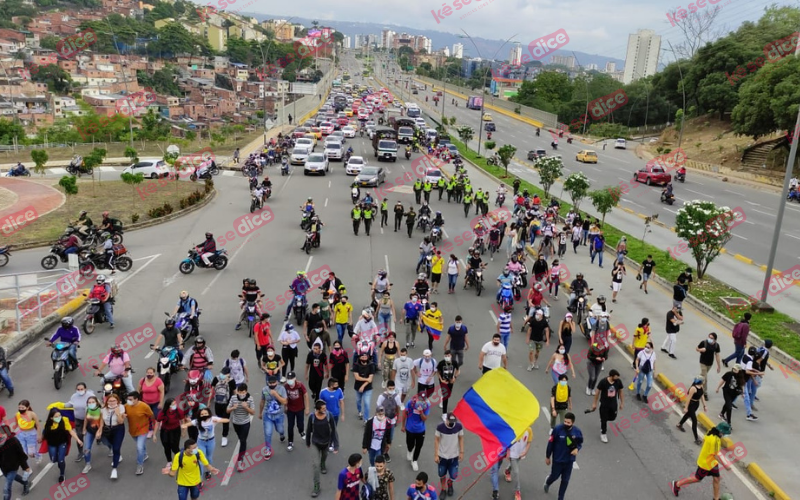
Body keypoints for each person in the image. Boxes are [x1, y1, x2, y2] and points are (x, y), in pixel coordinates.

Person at [670, 422, 733, 499]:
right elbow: (716, 455)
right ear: (721, 432)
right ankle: (677, 484)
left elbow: (705, 442)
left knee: (716, 479)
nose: (725, 435)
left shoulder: (710, 431)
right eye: (724, 433)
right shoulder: (716, 440)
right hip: (706, 464)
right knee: (697, 478)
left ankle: (716, 498)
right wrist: (726, 465)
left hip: (712, 462)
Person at [544, 412, 582, 500]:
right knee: (554, 476)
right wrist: (547, 456)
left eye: (568, 422)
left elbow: (580, 442)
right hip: (558, 460)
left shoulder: (577, 431)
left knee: (565, 480)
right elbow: (551, 443)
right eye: (565, 421)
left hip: (569, 461)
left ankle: (560, 497)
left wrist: (577, 449)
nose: (566, 424)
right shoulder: (557, 429)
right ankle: (548, 482)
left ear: (572, 423)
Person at [40, 407, 83, 484]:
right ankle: (60, 464)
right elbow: (44, 432)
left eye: (59, 416)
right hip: (52, 444)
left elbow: (70, 431)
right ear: (51, 418)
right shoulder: (48, 423)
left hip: (62, 443)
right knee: (53, 460)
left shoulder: (65, 420)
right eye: (56, 417)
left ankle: (62, 474)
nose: (58, 418)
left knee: (61, 460)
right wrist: (41, 438)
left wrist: (78, 440)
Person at [307, 400, 339, 497]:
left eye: (325, 408)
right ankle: (317, 486)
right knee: (315, 466)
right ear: (317, 409)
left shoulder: (329, 416)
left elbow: (334, 430)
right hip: (315, 443)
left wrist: (336, 445)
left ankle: (323, 463)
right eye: (323, 408)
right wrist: (308, 442)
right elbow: (308, 430)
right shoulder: (312, 417)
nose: (325, 410)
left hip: (326, 443)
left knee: (324, 456)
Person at [227, 383, 256, 472]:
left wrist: (246, 407)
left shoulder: (250, 399)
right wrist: (233, 408)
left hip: (245, 422)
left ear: (246, 391)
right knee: (240, 438)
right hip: (236, 422)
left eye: (243, 392)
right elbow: (227, 410)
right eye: (240, 392)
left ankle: (240, 460)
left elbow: (253, 412)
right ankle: (243, 448)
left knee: (243, 440)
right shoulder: (233, 398)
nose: (241, 393)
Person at [125, 391, 155, 475]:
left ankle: (140, 465)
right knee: (140, 445)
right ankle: (144, 454)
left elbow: (151, 415)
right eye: (128, 399)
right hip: (132, 430)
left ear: (136, 399)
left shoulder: (144, 406)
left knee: (139, 447)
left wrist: (154, 427)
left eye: (130, 399)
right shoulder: (126, 406)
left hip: (143, 430)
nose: (128, 401)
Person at [434, 414, 464, 497]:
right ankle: (443, 489)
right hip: (442, 456)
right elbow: (436, 440)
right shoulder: (440, 427)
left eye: (453, 422)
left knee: (454, 474)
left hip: (454, 456)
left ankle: (450, 483)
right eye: (449, 421)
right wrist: (436, 455)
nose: (451, 424)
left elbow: (461, 438)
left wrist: (461, 452)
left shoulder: (458, 426)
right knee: (442, 474)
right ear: (446, 420)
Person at [591, 369, 623, 443]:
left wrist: (622, 403)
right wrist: (594, 403)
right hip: (604, 403)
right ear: (611, 376)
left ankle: (603, 420)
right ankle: (603, 433)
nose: (617, 378)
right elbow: (597, 393)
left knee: (612, 417)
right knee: (604, 419)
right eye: (616, 377)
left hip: (613, 403)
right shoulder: (603, 382)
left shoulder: (618, 382)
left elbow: (621, 392)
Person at [98, 393, 126, 479]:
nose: (112, 402)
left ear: (117, 401)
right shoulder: (103, 409)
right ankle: (118, 455)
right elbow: (102, 420)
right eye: (110, 401)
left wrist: (118, 414)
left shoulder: (121, 407)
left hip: (118, 429)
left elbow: (121, 421)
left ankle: (114, 469)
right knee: (110, 444)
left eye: (114, 400)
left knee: (116, 448)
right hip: (107, 430)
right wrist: (100, 430)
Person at [259, 375, 287, 460]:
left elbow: (285, 401)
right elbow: (262, 401)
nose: (271, 384)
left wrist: (276, 394)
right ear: (267, 382)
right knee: (268, 432)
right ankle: (268, 450)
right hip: (268, 415)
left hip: (279, 415)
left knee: (280, 429)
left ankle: (282, 434)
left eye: (273, 383)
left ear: (277, 382)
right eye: (270, 383)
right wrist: (260, 413)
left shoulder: (281, 389)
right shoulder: (264, 390)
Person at [401, 392, 430, 472]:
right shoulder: (411, 403)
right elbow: (404, 414)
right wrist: (403, 426)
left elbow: (424, 418)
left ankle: (414, 460)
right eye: (420, 399)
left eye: (423, 400)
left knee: (419, 446)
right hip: (410, 428)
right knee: (410, 444)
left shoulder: (426, 405)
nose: (421, 401)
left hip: (421, 429)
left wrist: (421, 412)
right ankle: (409, 450)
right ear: (417, 397)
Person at [0, 426, 32, 498]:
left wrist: (25, 466)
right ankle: (25, 482)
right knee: (13, 477)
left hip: (13, 466)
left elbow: (21, 454)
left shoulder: (13, 441)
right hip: (4, 467)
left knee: (6, 487)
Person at [502, 427, 532, 500]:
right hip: (513, 452)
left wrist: (525, 451)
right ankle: (517, 491)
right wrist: (508, 452)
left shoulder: (529, 430)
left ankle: (507, 471)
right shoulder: (514, 427)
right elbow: (508, 440)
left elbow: (529, 441)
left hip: (520, 453)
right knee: (516, 472)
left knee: (514, 465)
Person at [677, 376, 707, 444]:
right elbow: (688, 398)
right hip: (691, 404)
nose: (704, 382)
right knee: (694, 421)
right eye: (703, 381)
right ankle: (696, 439)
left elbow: (702, 396)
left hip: (696, 404)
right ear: (701, 381)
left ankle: (679, 424)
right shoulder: (693, 388)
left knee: (687, 415)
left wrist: (704, 405)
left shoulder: (701, 386)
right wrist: (686, 407)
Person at [697, 333, 722, 399]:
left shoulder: (716, 345)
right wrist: (700, 350)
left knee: (702, 376)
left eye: (711, 338)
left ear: (715, 340)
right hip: (703, 362)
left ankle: (694, 385)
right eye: (709, 337)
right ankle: (705, 393)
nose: (709, 339)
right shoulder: (704, 342)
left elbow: (717, 356)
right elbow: (697, 348)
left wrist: (719, 366)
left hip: (710, 363)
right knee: (705, 378)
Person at [354, 352, 376, 422]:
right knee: (358, 401)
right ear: (360, 358)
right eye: (362, 357)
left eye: (365, 357)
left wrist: (363, 386)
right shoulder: (356, 365)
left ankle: (366, 419)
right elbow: (357, 377)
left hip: (368, 388)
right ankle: (359, 411)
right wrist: (366, 379)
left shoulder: (371, 365)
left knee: (367, 403)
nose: (364, 358)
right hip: (358, 387)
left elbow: (371, 379)